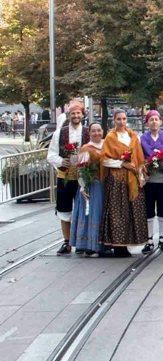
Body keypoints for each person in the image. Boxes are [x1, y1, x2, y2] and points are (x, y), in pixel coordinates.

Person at [101, 110, 149, 257]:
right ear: (114, 121)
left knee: (132, 212)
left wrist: (141, 175)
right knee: (118, 213)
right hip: (117, 179)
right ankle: (118, 246)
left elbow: (139, 159)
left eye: (124, 119)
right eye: (118, 119)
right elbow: (104, 159)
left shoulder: (133, 136)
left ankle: (128, 242)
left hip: (132, 179)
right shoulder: (110, 137)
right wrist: (122, 163)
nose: (121, 122)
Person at [46, 100, 90, 255]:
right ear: (69, 115)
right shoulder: (60, 133)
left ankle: (83, 241)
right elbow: (50, 154)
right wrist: (61, 161)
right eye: (73, 113)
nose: (76, 115)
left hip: (84, 177)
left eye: (78, 113)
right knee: (64, 209)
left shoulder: (88, 132)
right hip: (65, 175)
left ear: (82, 115)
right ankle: (66, 242)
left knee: (84, 210)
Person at [140, 110, 163, 254]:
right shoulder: (141, 138)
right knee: (148, 208)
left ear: (160, 122)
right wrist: (143, 171)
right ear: (147, 123)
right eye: (151, 119)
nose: (154, 122)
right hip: (148, 179)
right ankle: (149, 240)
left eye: (156, 119)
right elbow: (138, 157)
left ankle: (162, 239)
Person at [70, 123, 105, 256]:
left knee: (101, 213)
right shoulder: (86, 148)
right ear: (89, 133)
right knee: (90, 213)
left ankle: (102, 243)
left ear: (102, 131)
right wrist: (83, 186)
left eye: (99, 130)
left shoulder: (106, 145)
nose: (96, 133)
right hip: (92, 185)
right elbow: (81, 168)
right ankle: (88, 244)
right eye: (93, 131)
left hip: (104, 184)